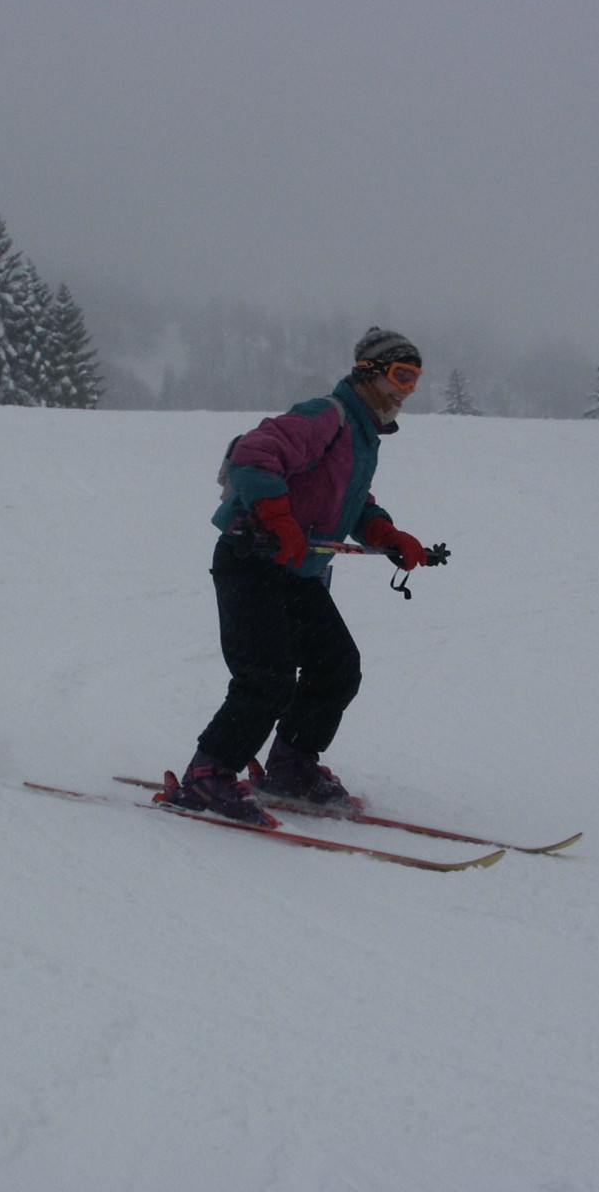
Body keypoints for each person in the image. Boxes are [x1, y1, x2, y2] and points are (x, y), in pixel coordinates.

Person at [162, 327, 432, 826]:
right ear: (370, 372)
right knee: (266, 676)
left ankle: (291, 766)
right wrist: (278, 518)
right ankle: (206, 774)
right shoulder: (327, 415)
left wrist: (386, 533)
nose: (407, 390)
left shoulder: (364, 434)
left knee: (336, 666)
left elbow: (348, 501)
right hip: (252, 559)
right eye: (400, 375)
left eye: (415, 379)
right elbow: (254, 454)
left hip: (296, 571)